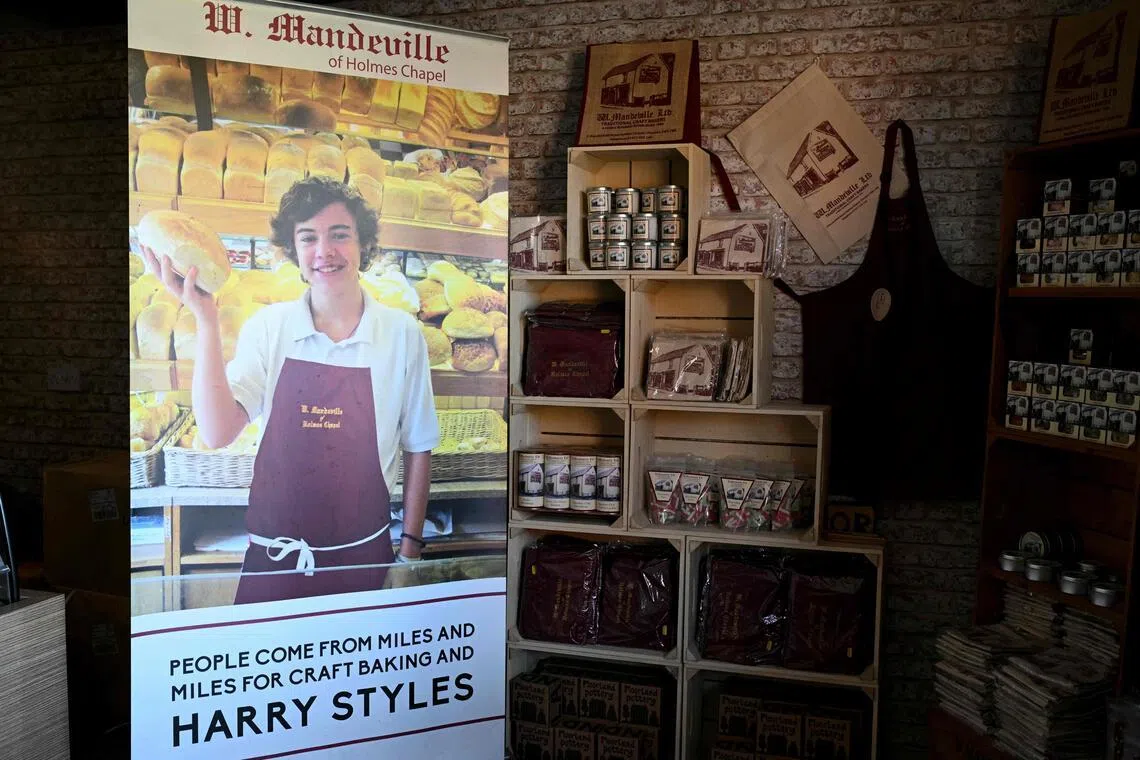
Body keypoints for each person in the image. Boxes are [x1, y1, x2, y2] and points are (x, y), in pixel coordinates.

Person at [142, 177, 439, 604]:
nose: (325, 251)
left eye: (340, 235)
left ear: (363, 245)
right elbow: (218, 432)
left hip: (365, 561)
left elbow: (419, 447)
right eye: (308, 238)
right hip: (275, 565)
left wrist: (409, 554)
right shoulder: (268, 327)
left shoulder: (402, 334)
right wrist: (205, 320)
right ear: (293, 251)